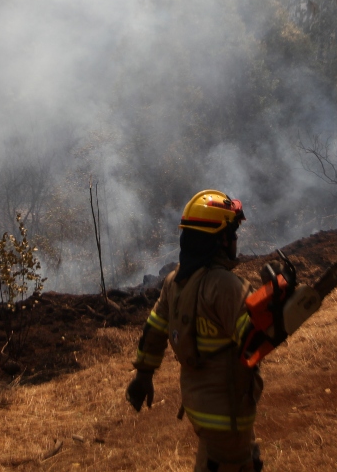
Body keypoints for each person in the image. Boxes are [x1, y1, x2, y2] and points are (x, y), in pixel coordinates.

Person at [125, 189, 263, 472]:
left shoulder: (175, 282)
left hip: (200, 406)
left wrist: (143, 375)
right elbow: (256, 339)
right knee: (230, 463)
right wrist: (276, 308)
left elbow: (154, 329)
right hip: (229, 411)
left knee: (218, 457)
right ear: (220, 240)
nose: (236, 240)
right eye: (233, 234)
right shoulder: (226, 286)